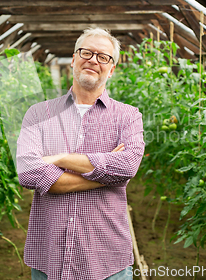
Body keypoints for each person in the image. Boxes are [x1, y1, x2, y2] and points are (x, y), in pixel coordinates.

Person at [16, 28, 145, 280]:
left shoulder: (128, 116)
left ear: (112, 68)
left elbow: (127, 166)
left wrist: (58, 159)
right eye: (87, 52)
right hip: (49, 256)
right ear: (74, 59)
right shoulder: (38, 114)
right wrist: (106, 174)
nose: (94, 60)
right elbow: (29, 173)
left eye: (104, 57)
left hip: (107, 260)